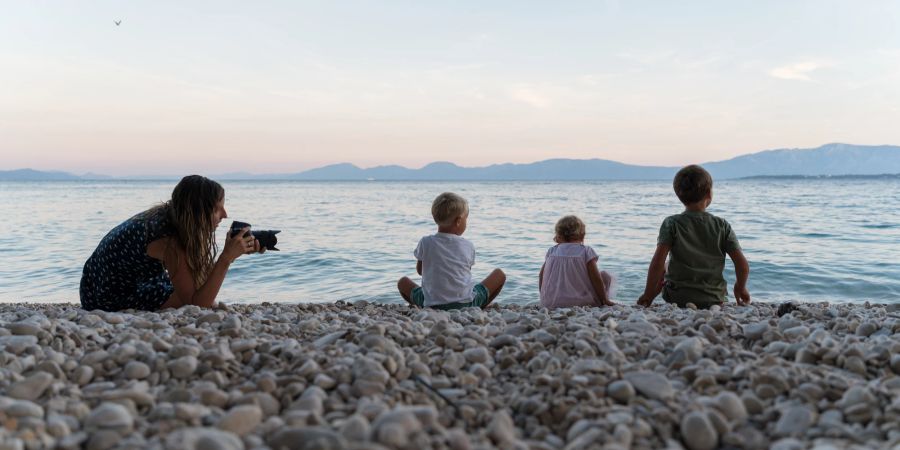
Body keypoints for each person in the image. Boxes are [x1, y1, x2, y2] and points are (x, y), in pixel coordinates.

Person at [79, 175, 262, 311]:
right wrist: (226, 258)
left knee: (203, 297)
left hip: (97, 283)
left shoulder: (169, 217)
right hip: (105, 296)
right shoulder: (167, 240)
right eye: (216, 209)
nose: (225, 214)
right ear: (196, 212)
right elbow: (197, 304)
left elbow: (197, 280)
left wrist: (233, 252)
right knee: (195, 302)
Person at [637, 164, 751, 309]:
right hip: (715, 298)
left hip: (677, 298)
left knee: (665, 266)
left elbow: (657, 263)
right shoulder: (722, 225)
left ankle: (649, 299)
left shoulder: (671, 223)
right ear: (709, 193)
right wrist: (740, 288)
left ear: (679, 195)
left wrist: (647, 293)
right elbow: (742, 265)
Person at [397, 192, 506, 310]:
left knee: (402, 282)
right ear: (458, 221)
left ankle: (422, 306)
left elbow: (420, 271)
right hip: (465, 303)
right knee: (500, 274)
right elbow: (464, 273)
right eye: (466, 218)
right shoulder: (467, 245)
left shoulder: (425, 242)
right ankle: (479, 306)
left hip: (432, 304)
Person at [539, 215, 616, 308]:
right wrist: (604, 299)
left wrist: (544, 298)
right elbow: (596, 278)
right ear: (582, 235)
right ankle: (604, 301)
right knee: (605, 276)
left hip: (551, 302)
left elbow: (541, 275)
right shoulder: (586, 251)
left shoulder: (552, 251)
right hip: (581, 303)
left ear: (558, 235)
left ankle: (548, 299)